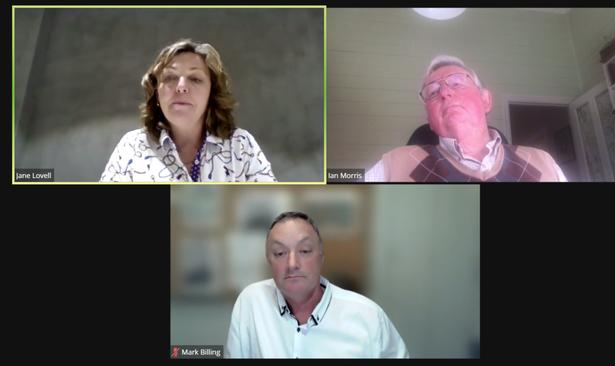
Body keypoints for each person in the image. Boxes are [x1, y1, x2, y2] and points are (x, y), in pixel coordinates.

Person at [225, 211, 409, 358]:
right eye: (280, 253)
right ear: (268, 261)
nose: (292, 264)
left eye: (304, 250)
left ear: (321, 256)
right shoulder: (252, 301)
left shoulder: (368, 316)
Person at [365, 55, 567, 182]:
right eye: (433, 92)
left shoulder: (543, 163)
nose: (444, 93)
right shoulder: (394, 166)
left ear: (486, 100)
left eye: (457, 83)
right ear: (429, 117)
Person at [100, 39, 276, 182]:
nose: (181, 87)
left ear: (211, 94)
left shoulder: (241, 145)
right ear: (156, 93)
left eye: (195, 79)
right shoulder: (131, 147)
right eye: (170, 77)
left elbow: (273, 217)